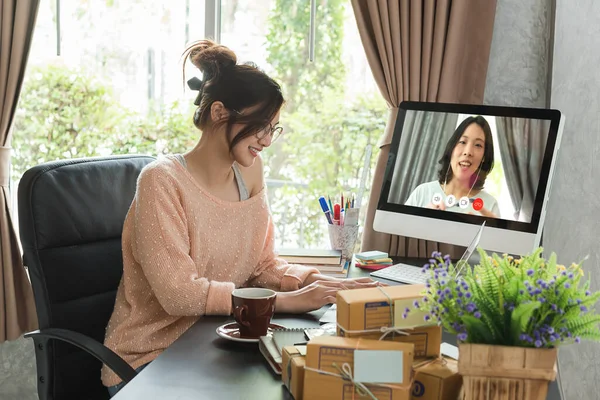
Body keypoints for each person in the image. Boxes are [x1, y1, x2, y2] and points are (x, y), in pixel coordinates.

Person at [101, 40, 380, 396]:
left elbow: (261, 264)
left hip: (218, 341)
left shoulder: (249, 173)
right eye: (261, 127)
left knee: (331, 377)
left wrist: (314, 281)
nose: (266, 141)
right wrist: (286, 301)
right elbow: (179, 295)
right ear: (219, 113)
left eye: (273, 129)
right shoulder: (162, 181)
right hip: (150, 361)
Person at [405, 115, 500, 218]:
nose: (468, 152)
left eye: (478, 145)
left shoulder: (490, 206)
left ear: (484, 157)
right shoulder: (422, 192)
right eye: (462, 142)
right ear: (452, 149)